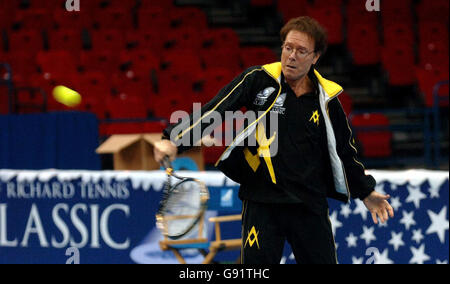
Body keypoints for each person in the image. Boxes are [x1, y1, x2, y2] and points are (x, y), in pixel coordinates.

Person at [153, 16, 394, 264]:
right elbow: (216, 110)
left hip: (309, 205)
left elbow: (343, 151)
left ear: (315, 57)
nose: (291, 56)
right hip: (262, 202)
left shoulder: (327, 100)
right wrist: (174, 139)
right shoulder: (258, 80)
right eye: (288, 47)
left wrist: (366, 191)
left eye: (301, 51)